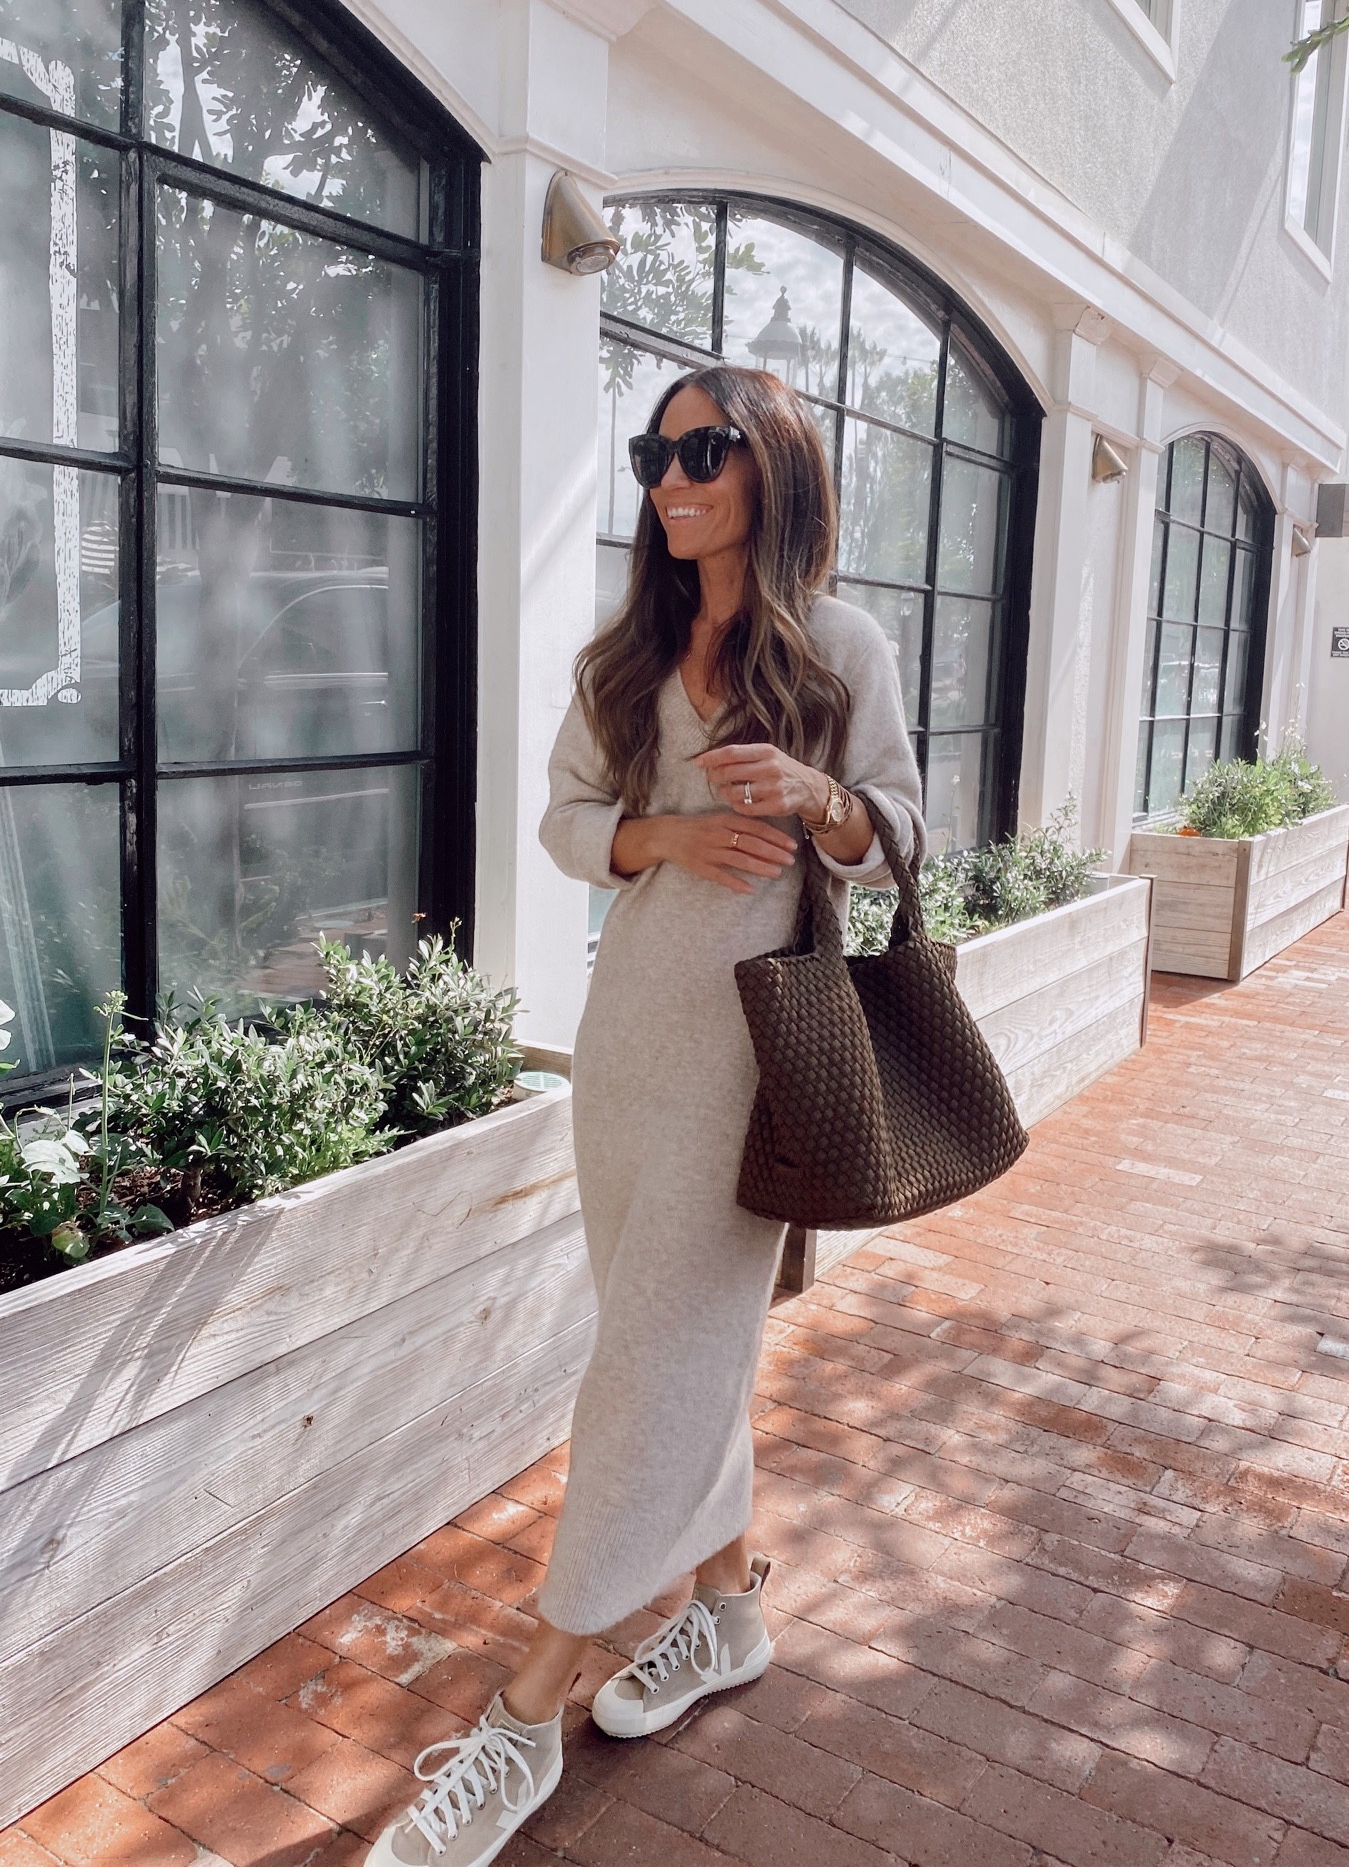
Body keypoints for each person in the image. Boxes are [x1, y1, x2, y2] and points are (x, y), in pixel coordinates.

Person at [367, 364, 924, 1867]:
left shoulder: (845, 647)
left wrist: (819, 799)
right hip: (627, 1055)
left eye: (705, 451)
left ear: (773, 471)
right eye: (654, 453)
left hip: (758, 1060)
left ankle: (528, 1705)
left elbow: (902, 838)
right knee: (672, 1347)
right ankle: (728, 1613)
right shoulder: (629, 653)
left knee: (649, 1365)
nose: (672, 478)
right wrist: (658, 830)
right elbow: (557, 821)